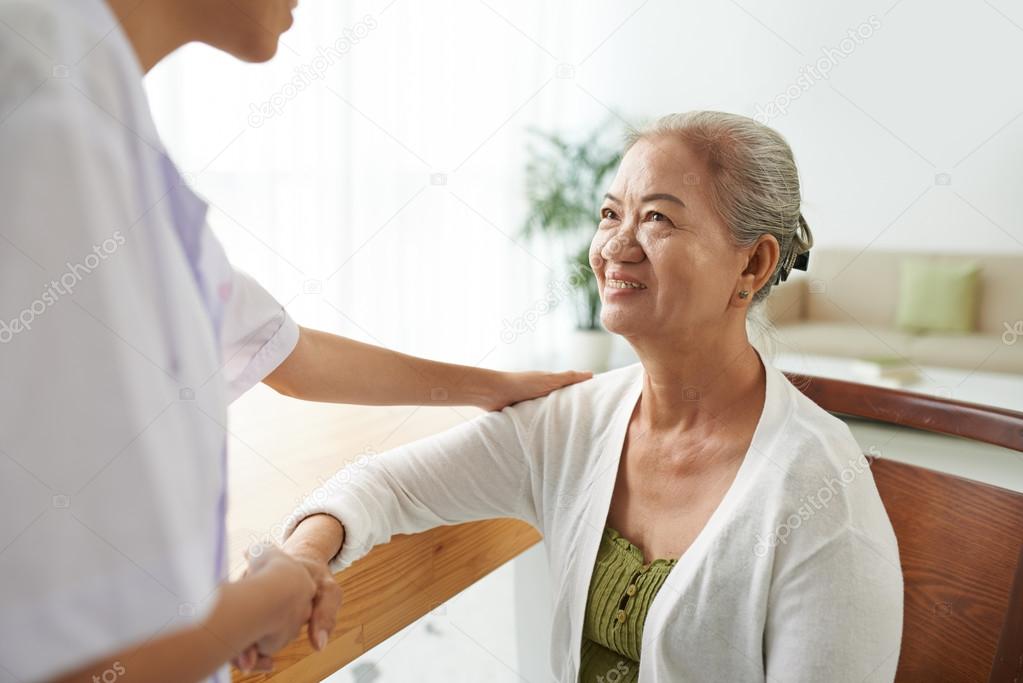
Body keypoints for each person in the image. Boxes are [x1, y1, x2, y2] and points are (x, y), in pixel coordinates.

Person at [0, 0, 588, 681]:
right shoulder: (48, 135)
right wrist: (253, 607)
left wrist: (496, 385)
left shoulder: (100, 125)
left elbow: (290, 353)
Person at [283, 111, 905, 682]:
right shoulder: (576, 420)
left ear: (753, 266)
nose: (613, 247)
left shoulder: (820, 491)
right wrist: (303, 558)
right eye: (611, 214)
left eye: (657, 217)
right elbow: (385, 486)